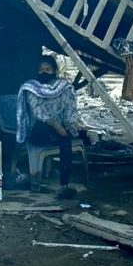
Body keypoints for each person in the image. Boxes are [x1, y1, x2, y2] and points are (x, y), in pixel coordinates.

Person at [15, 55, 94, 198]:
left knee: (66, 139)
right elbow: (37, 111)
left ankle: (65, 185)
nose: (44, 73)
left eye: (48, 69)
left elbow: (70, 110)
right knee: (54, 131)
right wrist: (56, 125)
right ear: (36, 72)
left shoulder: (64, 87)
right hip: (39, 131)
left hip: (59, 131)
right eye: (41, 70)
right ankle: (60, 184)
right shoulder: (31, 88)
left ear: (55, 70)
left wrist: (70, 126)